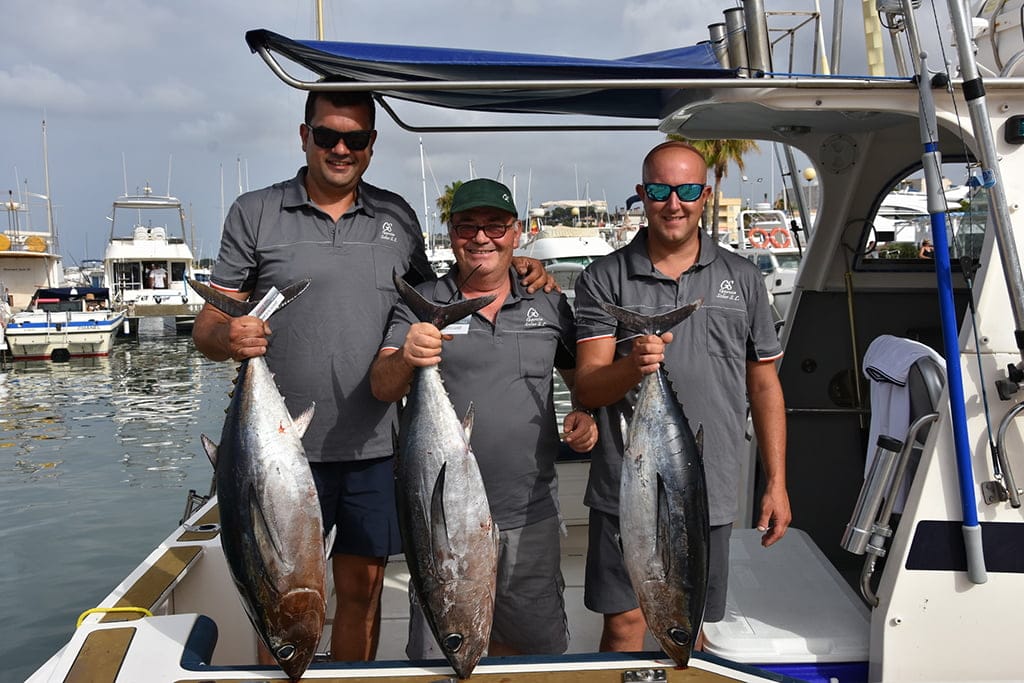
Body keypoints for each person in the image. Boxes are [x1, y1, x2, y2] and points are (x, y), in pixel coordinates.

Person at [192, 88, 553, 663]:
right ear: (304, 136)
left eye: (355, 138)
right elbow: (210, 322)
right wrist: (228, 335)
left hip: (374, 445)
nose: (341, 148)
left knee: (360, 591)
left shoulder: (395, 217)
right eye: (329, 135)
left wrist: (525, 264)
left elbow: (436, 292)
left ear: (371, 144)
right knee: (278, 587)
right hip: (277, 447)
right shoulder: (255, 212)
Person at [573, 140, 791, 653]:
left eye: (687, 190)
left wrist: (776, 483)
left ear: (706, 195)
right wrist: (634, 365)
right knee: (625, 623)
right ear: (641, 195)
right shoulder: (604, 277)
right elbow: (587, 385)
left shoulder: (742, 276)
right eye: (659, 190)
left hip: (709, 488)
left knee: (689, 619)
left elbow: (763, 384)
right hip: (627, 487)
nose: (674, 203)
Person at [370, 178, 597, 657]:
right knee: (444, 652)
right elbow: (382, 385)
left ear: (517, 232)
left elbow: (581, 381)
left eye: (495, 226)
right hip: (439, 517)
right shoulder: (418, 303)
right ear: (451, 233)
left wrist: (585, 413)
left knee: (535, 656)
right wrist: (408, 355)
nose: (481, 238)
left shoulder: (549, 303)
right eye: (467, 226)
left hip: (530, 513)